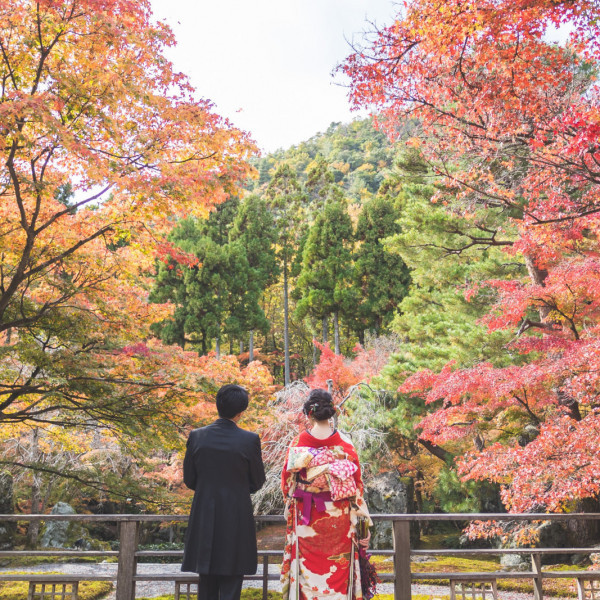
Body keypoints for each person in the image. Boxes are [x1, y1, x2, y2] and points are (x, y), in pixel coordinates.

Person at [280, 388, 372, 600]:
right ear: (332, 413)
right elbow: (357, 488)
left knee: (307, 573)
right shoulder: (345, 445)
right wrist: (364, 522)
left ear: (308, 413)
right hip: (339, 519)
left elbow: (287, 485)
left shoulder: (297, 444)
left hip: (306, 518)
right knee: (338, 569)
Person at [182, 384, 266, 600]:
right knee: (232, 579)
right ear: (241, 410)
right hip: (236, 515)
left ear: (217, 405)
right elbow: (257, 482)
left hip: (204, 513)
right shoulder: (249, 440)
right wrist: (237, 488)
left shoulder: (196, 436)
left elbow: (190, 479)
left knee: (206, 580)